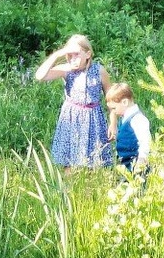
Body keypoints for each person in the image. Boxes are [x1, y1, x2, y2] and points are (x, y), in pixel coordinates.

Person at [36, 35, 112, 169]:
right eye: (69, 55)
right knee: (69, 163)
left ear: (88, 54)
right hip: (71, 119)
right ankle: (69, 189)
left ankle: (89, 188)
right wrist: (57, 55)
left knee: (93, 162)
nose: (72, 58)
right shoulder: (66, 70)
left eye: (76, 54)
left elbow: (111, 98)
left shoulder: (99, 71)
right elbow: (40, 76)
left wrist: (114, 123)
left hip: (93, 120)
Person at [105, 82, 151, 182]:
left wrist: (142, 160)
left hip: (136, 163)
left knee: (138, 190)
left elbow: (145, 141)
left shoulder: (138, 119)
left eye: (114, 108)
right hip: (127, 164)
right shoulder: (125, 118)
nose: (114, 111)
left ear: (125, 102)